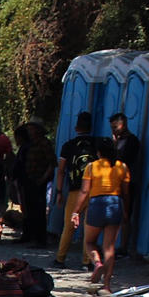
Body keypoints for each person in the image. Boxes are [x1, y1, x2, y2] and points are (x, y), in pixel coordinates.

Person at [75, 139, 130, 293]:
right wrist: (126, 211)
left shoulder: (92, 167)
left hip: (96, 204)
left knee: (89, 241)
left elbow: (85, 191)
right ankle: (106, 285)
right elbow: (126, 193)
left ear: (98, 152)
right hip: (115, 203)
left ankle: (97, 263)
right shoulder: (122, 167)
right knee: (109, 247)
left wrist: (76, 211)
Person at [52, 112, 99, 267]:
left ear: (76, 127)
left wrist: (59, 191)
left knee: (69, 226)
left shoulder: (68, 146)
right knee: (89, 226)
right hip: (93, 191)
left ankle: (60, 258)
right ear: (91, 127)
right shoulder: (97, 144)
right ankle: (87, 261)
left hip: (74, 191)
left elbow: (61, 170)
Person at [108, 111, 144, 257]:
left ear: (123, 124)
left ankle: (123, 246)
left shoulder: (132, 141)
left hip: (127, 181)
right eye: (112, 128)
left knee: (125, 214)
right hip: (113, 181)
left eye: (115, 127)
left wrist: (115, 146)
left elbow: (125, 159)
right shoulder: (115, 141)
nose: (113, 130)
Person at [16, 122, 53, 248]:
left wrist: (43, 179)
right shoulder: (30, 144)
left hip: (39, 181)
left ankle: (40, 239)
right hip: (29, 180)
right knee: (30, 209)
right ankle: (30, 235)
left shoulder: (44, 143)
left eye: (32, 129)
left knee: (39, 211)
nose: (30, 132)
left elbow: (51, 163)